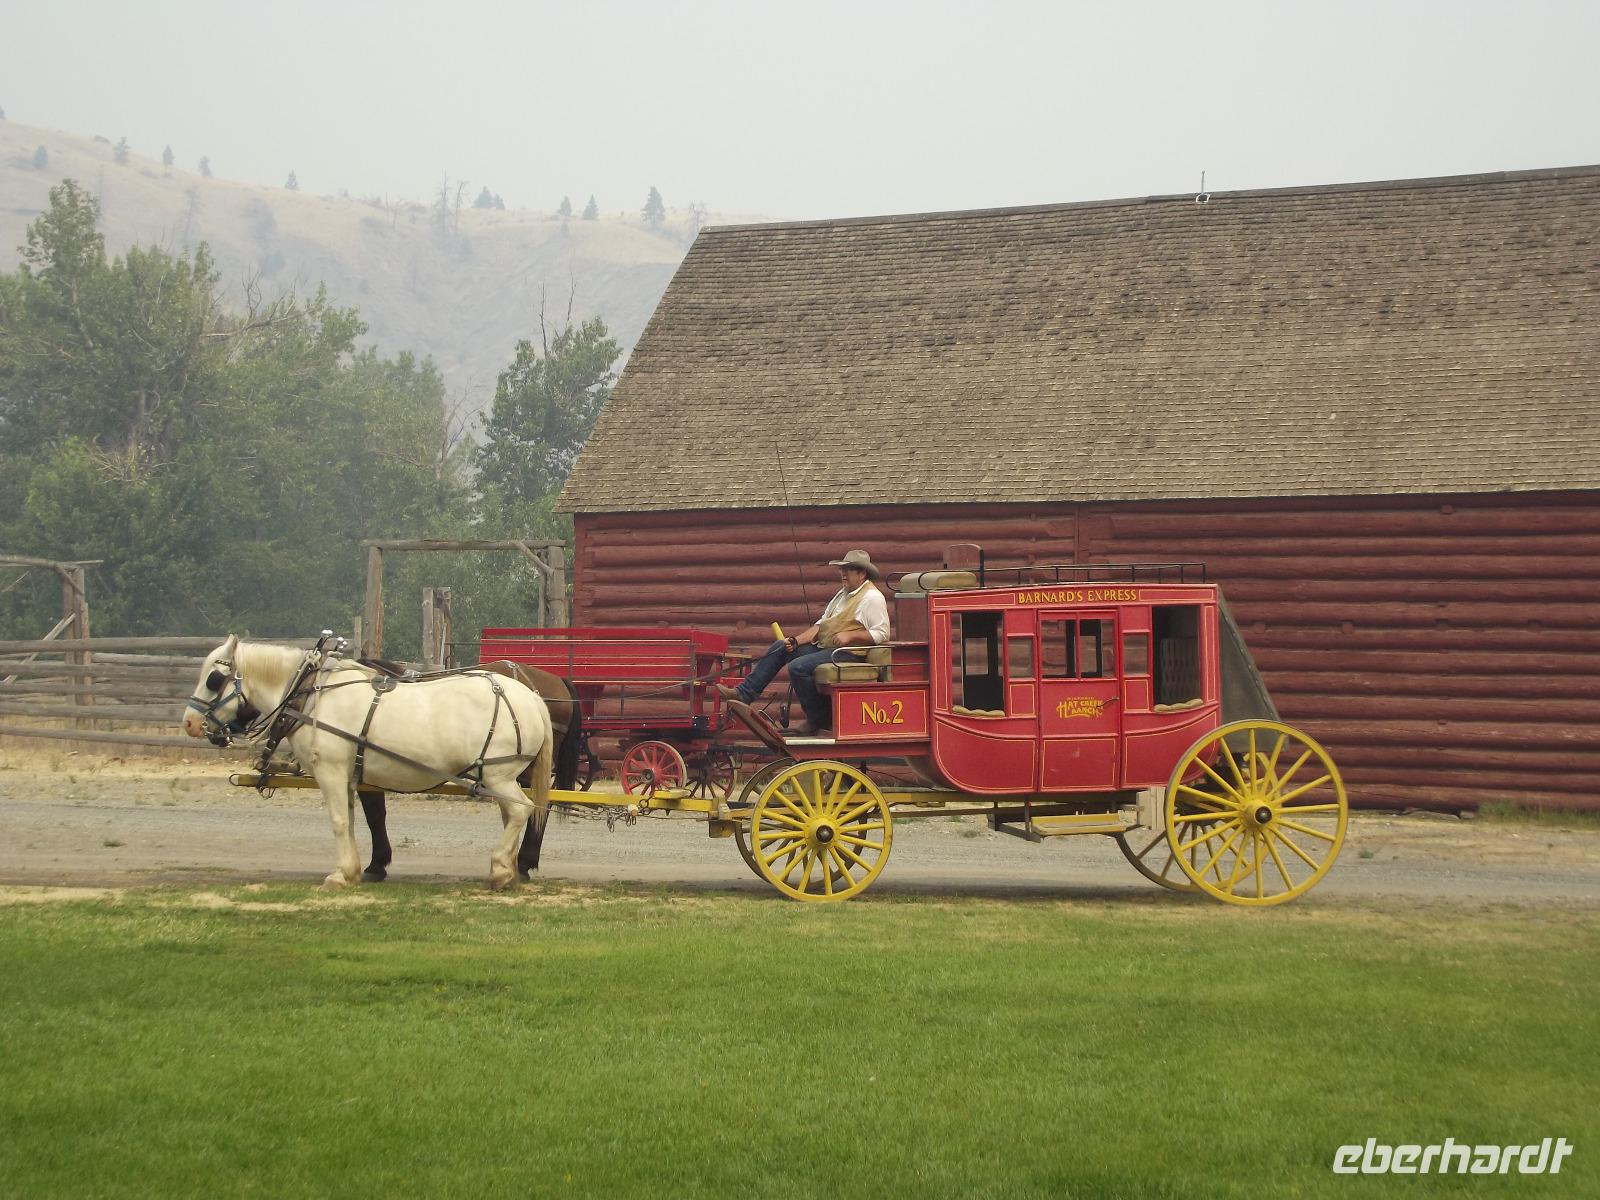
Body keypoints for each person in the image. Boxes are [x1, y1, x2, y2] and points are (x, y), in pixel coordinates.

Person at [718, 550, 890, 736]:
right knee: (780, 648)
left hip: (850, 653)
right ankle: (745, 693)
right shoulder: (842, 595)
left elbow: (882, 633)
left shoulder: (872, 598)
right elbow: (820, 626)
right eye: (842, 570)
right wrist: (796, 641)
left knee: (798, 667)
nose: (843, 574)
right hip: (828, 648)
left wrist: (851, 636)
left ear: (862, 573)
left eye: (847, 570)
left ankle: (817, 719)